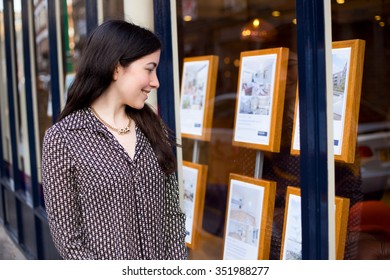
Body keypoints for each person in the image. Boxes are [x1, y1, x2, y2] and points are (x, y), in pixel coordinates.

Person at [41, 19, 187, 260]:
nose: (156, 81)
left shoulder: (154, 127)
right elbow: (68, 239)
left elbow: (172, 216)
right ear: (117, 68)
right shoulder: (63, 138)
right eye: (149, 69)